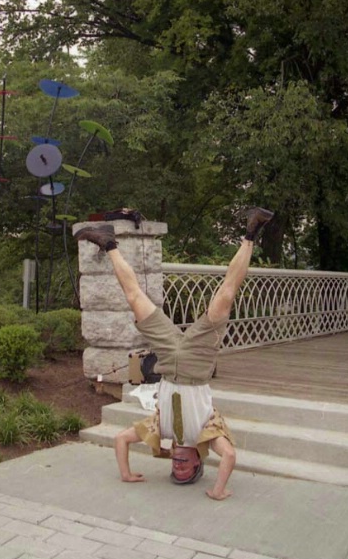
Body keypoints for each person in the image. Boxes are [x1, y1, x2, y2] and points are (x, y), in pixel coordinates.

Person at [74, 207, 273, 500]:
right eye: (184, 465)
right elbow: (229, 456)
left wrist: (126, 474)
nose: (178, 462)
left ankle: (109, 243)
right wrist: (219, 490)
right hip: (198, 359)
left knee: (134, 297)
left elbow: (121, 439)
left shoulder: (161, 428)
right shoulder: (207, 436)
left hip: (167, 355)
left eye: (175, 465)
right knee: (226, 295)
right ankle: (251, 233)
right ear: (197, 461)